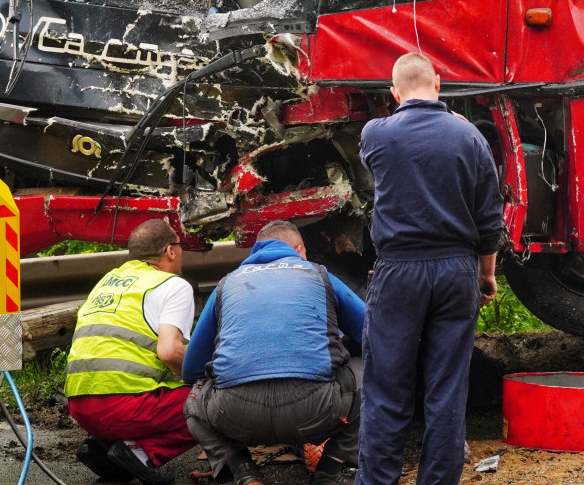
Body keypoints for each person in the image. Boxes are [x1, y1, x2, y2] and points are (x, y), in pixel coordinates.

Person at [356, 52, 504, 485]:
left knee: (386, 388)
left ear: (393, 93)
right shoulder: (469, 136)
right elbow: (490, 218)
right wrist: (486, 274)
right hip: (457, 270)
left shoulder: (376, 133)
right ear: (439, 84)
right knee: (447, 390)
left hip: (399, 270)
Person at [183, 220, 365, 485]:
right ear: (299, 249)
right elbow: (372, 334)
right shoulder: (319, 273)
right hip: (316, 410)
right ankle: (332, 469)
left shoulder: (226, 283)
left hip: (235, 415)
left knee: (194, 400)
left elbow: (191, 368)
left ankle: (242, 472)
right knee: (368, 373)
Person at [65, 218, 196, 485]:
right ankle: (140, 454)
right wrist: (205, 374)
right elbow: (170, 352)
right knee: (211, 402)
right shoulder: (173, 285)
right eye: (180, 245)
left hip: (80, 407)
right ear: (170, 251)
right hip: (124, 408)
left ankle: (108, 449)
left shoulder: (107, 281)